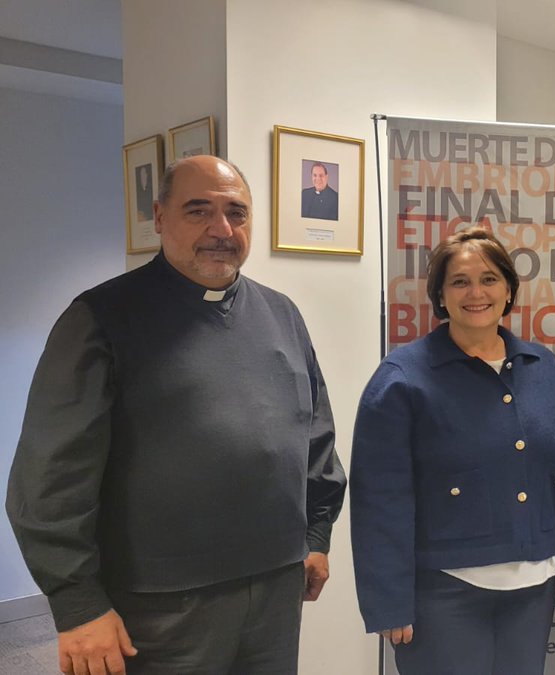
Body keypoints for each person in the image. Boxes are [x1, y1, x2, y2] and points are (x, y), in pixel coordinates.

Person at [6, 155, 348, 674]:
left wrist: (317, 535)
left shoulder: (281, 314)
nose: (221, 229)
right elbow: (50, 476)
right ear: (160, 217)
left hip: (277, 590)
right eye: (198, 211)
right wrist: (78, 604)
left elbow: (315, 434)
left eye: (236, 212)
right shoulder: (100, 319)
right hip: (160, 606)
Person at [350, 226, 555, 674]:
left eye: (489, 279)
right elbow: (380, 498)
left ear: (508, 290)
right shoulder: (402, 379)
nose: (476, 293)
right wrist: (388, 601)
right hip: (443, 596)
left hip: (534, 588)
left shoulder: (545, 370)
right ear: (440, 296)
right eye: (460, 281)